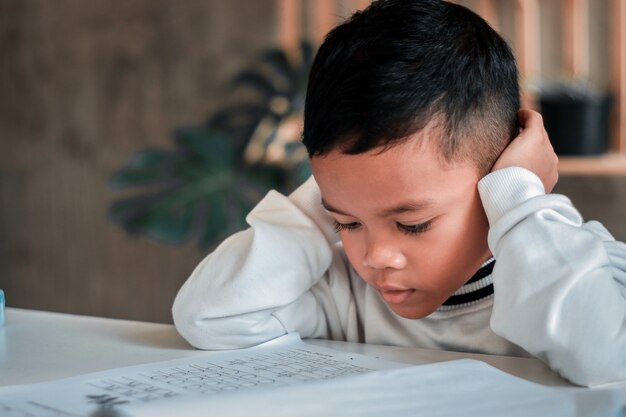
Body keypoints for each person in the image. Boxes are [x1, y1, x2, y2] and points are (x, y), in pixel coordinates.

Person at [172, 0, 626, 386]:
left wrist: (521, 201)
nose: (375, 256)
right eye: (346, 222)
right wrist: (327, 200)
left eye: (412, 224)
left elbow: (607, 359)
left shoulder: (587, 270)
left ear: (502, 172)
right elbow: (210, 317)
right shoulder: (341, 294)